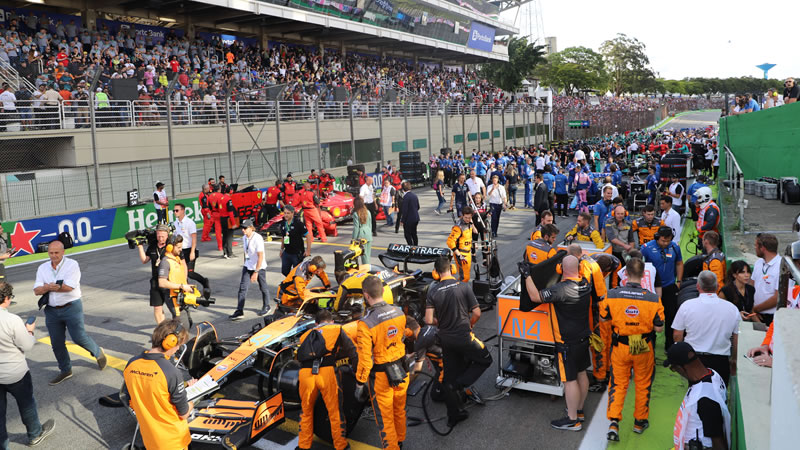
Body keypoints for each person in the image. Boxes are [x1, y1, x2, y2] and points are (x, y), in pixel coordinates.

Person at [518, 255, 591, 431]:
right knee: (582, 374)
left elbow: (535, 297)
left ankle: (573, 419)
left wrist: (527, 275)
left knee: (569, 380)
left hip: (566, 343)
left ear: (561, 270)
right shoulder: (586, 284)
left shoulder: (561, 290)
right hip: (583, 338)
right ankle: (578, 410)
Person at [600, 258, 665, 441]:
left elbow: (604, 319)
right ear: (644, 274)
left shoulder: (612, 295)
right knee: (643, 382)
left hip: (620, 344)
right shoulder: (653, 298)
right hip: (641, 344)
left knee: (618, 383)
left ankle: (614, 422)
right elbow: (659, 328)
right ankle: (639, 422)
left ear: (625, 273)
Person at [425, 257, 491, 428]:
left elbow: (428, 319)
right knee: (485, 359)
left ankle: (454, 415)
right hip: (464, 336)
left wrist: (440, 323)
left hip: (445, 340)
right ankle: (460, 385)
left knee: (448, 375)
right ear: (452, 269)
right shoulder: (464, 286)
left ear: (436, 272)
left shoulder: (433, 291)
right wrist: (470, 324)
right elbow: (477, 312)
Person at [33, 240, 106, 385]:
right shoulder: (42, 268)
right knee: (56, 342)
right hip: (52, 310)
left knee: (78, 337)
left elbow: (69, 287)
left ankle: (97, 351)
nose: (53, 256)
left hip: (71, 307)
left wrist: (47, 287)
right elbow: (36, 291)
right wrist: (52, 287)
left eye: (56, 253)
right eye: (51, 253)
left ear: (63, 252)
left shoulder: (72, 265)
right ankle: (65, 370)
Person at [121, 319, 194, 450]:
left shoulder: (131, 364)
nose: (177, 349)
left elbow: (131, 399)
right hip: (174, 441)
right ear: (169, 342)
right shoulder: (171, 372)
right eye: (178, 345)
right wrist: (191, 404)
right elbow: (183, 413)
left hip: (150, 438)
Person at [355, 275, 408, 450]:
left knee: (385, 418)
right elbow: (402, 337)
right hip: (402, 371)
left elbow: (365, 359)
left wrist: (360, 382)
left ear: (365, 295)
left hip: (381, 377)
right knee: (399, 410)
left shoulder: (365, 323)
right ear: (384, 291)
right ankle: (400, 442)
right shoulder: (399, 312)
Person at [0, 282, 56, 448]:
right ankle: (34, 433)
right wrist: (29, 331)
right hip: (16, 373)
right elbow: (27, 345)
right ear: (7, 298)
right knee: (27, 404)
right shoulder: (12, 320)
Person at [297, 309, 357, 450]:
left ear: (316, 323)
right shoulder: (337, 328)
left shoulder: (305, 334)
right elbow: (352, 351)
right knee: (335, 411)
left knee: (306, 411)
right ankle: (340, 445)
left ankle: (303, 446)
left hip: (306, 374)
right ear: (331, 321)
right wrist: (358, 374)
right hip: (327, 372)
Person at [672, 271, 740, 385]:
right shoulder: (732, 309)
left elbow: (677, 335)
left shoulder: (687, 306)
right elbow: (736, 339)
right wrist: (734, 360)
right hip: (721, 360)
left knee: (695, 394)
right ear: (718, 286)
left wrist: (681, 359)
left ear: (698, 286)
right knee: (719, 395)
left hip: (694, 359)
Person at [665, 342, 731, 450]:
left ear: (681, 368)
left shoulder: (705, 400)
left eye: (674, 369)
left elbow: (719, 443)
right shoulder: (713, 374)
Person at [641, 226, 683, 351]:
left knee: (671, 316)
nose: (665, 243)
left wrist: (679, 282)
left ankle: (669, 345)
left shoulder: (675, 247)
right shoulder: (646, 248)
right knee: (650, 317)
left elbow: (679, 263)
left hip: (670, 286)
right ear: (657, 238)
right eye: (663, 241)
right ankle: (650, 344)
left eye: (668, 241)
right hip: (651, 289)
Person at [229, 219, 270, 320]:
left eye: (245, 228)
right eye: (242, 228)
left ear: (251, 228)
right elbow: (246, 252)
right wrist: (245, 263)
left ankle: (267, 305)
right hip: (248, 265)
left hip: (259, 267)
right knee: (243, 288)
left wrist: (256, 272)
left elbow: (260, 256)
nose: (243, 230)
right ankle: (239, 310)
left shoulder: (257, 238)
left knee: (263, 287)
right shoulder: (244, 238)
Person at [137, 225, 176, 324]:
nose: (160, 238)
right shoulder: (153, 245)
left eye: (163, 236)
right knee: (157, 308)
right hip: (155, 281)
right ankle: (162, 331)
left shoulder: (171, 246)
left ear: (167, 235)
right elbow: (144, 260)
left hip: (169, 281)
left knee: (174, 309)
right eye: (158, 236)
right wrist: (140, 247)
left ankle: (178, 330)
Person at [751, 233, 779, 326]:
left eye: (756, 245)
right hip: (756, 314)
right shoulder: (758, 263)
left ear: (762, 248)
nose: (754, 248)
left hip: (773, 317)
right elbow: (751, 287)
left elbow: (778, 298)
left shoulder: (782, 266)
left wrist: (755, 309)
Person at [279, 205, 312, 276]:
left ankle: (296, 284)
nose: (286, 215)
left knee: (297, 273)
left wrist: (308, 250)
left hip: (297, 253)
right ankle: (291, 282)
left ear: (292, 213)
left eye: (288, 213)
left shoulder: (298, 224)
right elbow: (283, 237)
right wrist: (281, 249)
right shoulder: (283, 224)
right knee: (284, 271)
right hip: (287, 252)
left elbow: (308, 236)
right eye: (285, 213)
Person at [448, 206, 475, 282]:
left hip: (468, 252)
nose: (467, 219)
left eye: (469, 218)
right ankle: (459, 292)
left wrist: (473, 226)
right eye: (466, 217)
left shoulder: (470, 222)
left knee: (466, 275)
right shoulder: (458, 227)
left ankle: (461, 289)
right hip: (461, 254)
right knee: (464, 277)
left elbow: (472, 234)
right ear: (462, 215)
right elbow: (450, 241)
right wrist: (459, 255)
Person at [172, 203, 197, 273]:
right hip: (179, 251)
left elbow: (194, 239)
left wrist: (192, 252)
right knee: (181, 272)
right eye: (173, 211)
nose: (175, 212)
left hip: (188, 250)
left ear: (183, 211)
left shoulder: (190, 223)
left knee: (190, 273)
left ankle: (204, 281)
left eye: (177, 210)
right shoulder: (175, 223)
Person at [352, 197, 373, 265]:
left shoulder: (356, 214)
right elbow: (370, 224)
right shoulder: (368, 212)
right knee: (367, 255)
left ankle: (366, 270)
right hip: (368, 234)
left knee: (363, 255)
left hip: (361, 235)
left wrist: (354, 239)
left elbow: (356, 228)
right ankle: (368, 267)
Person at [400, 181, 419, 246]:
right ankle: (416, 246)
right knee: (414, 234)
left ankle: (410, 246)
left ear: (403, 190)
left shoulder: (405, 197)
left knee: (407, 234)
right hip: (415, 218)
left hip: (408, 220)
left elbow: (405, 211)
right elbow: (418, 207)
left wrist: (402, 220)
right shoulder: (414, 195)